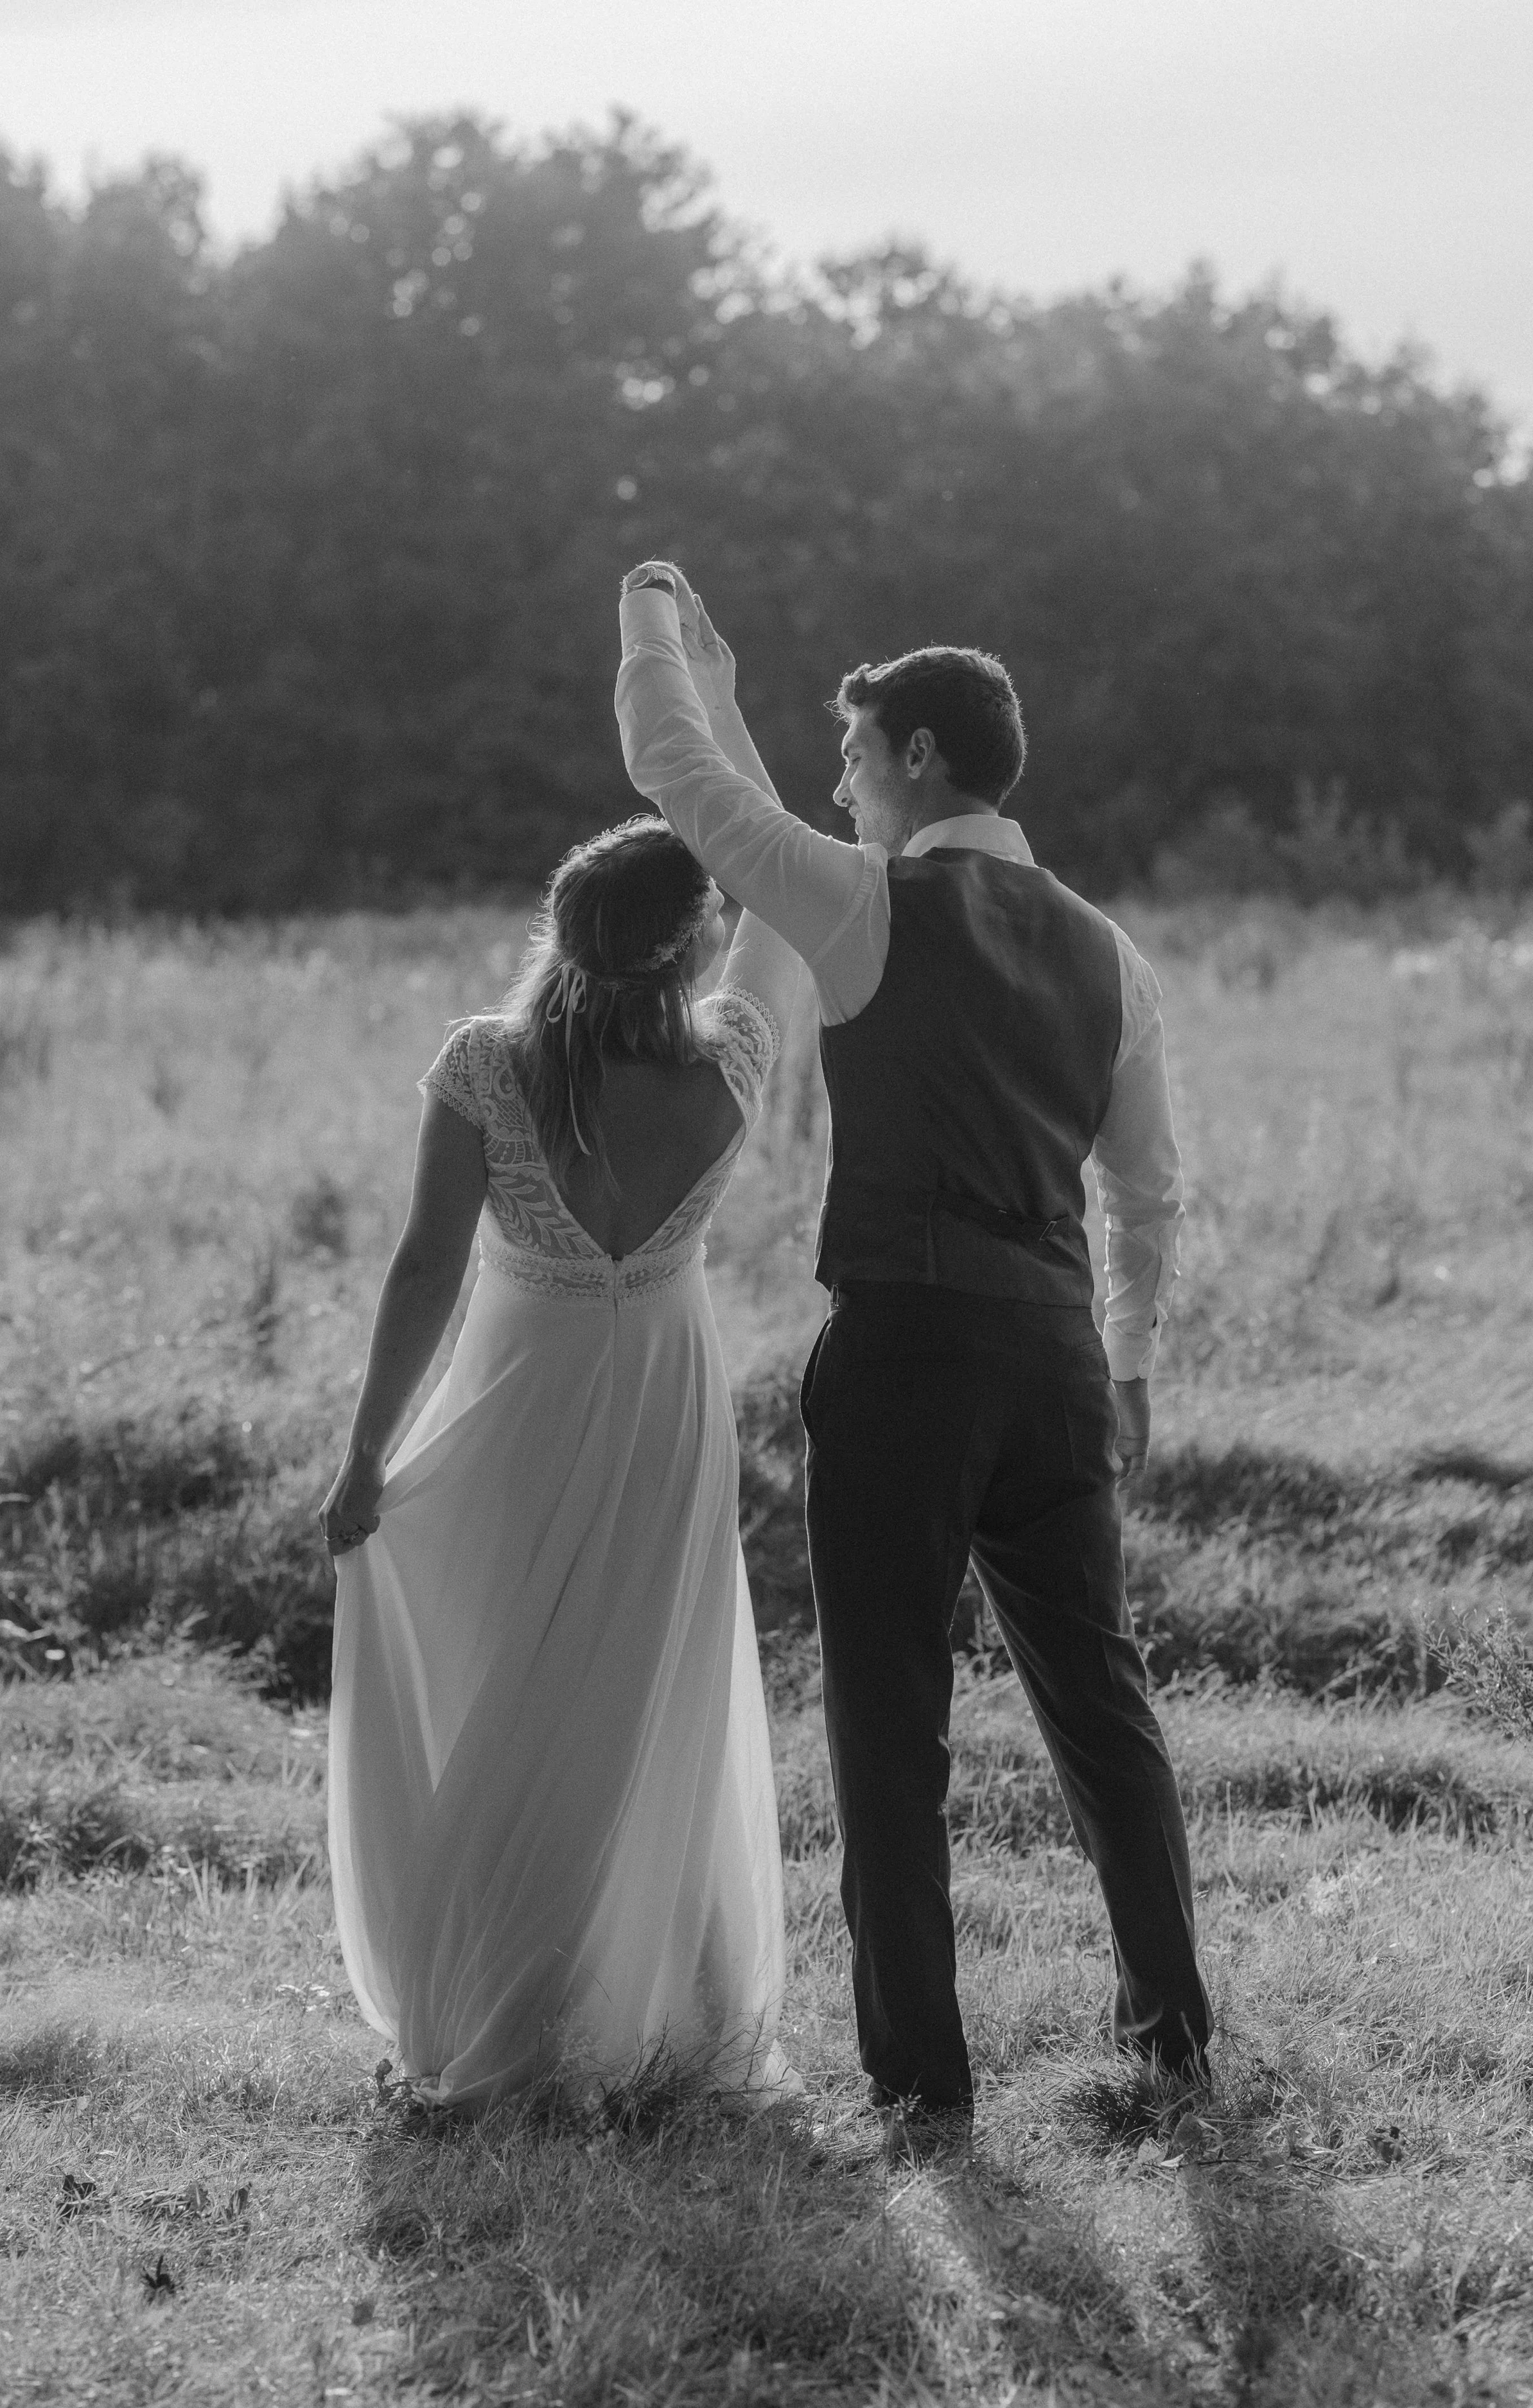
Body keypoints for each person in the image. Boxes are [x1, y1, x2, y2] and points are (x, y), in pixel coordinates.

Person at [615, 562, 1212, 2154]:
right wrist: (1131, 1364)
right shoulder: (1109, 951)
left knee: (886, 1720)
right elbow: (1147, 1190)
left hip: (903, 1352)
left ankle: (919, 2086)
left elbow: (682, 786)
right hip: (1056, 1356)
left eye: (855, 753)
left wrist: (650, 626)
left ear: (921, 759)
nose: (839, 783)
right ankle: (1171, 2039)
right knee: (1101, 1700)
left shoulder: (865, 905)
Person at [320, 807, 804, 2109]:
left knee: (511, 1680)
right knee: (648, 1684)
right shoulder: (734, 1058)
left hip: (516, 1400)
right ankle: (661, 2009)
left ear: (560, 926)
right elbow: (769, 895)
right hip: (661, 1395)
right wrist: (703, 735)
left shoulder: (486, 1066)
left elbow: (425, 1267)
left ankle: (514, 2010)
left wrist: (368, 1454)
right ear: (692, 949)